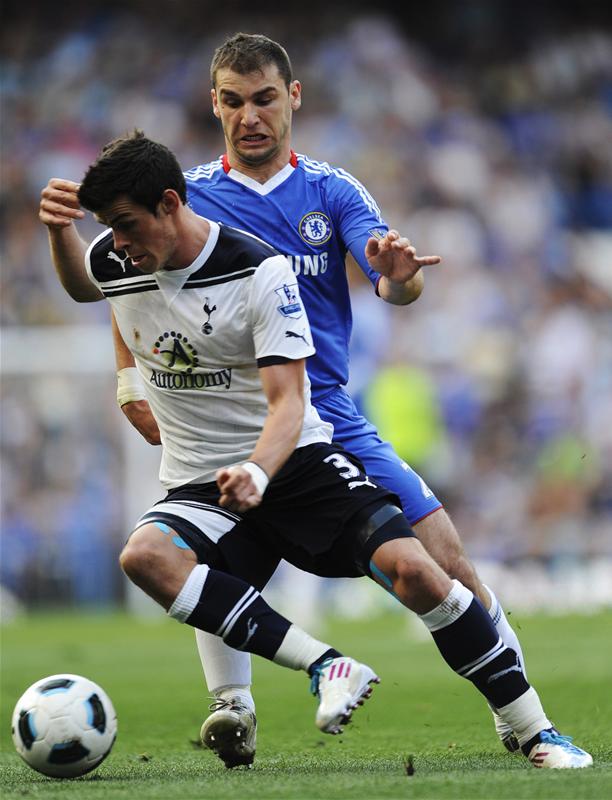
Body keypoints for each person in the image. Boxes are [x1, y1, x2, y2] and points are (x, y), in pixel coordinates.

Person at [38, 32, 545, 767]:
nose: (251, 116)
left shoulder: (334, 190)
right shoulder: (184, 195)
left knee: (447, 562)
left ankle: (520, 714)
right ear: (215, 105)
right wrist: (129, 381)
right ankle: (233, 707)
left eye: (265, 99)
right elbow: (136, 297)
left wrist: (400, 276)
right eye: (234, 101)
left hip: (325, 407)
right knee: (206, 551)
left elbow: (393, 280)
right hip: (231, 412)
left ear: (293, 98)